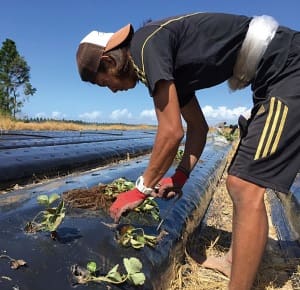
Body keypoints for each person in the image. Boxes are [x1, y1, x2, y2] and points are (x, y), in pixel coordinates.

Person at [76, 12, 300, 290]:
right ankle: (234, 262)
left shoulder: (144, 46)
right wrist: (179, 178)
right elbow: (197, 128)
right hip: (270, 78)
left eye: (103, 82)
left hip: (290, 67)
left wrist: (140, 189)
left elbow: (171, 133)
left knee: (245, 185)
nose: (110, 90)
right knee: (240, 179)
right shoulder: (163, 64)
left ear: (109, 61)